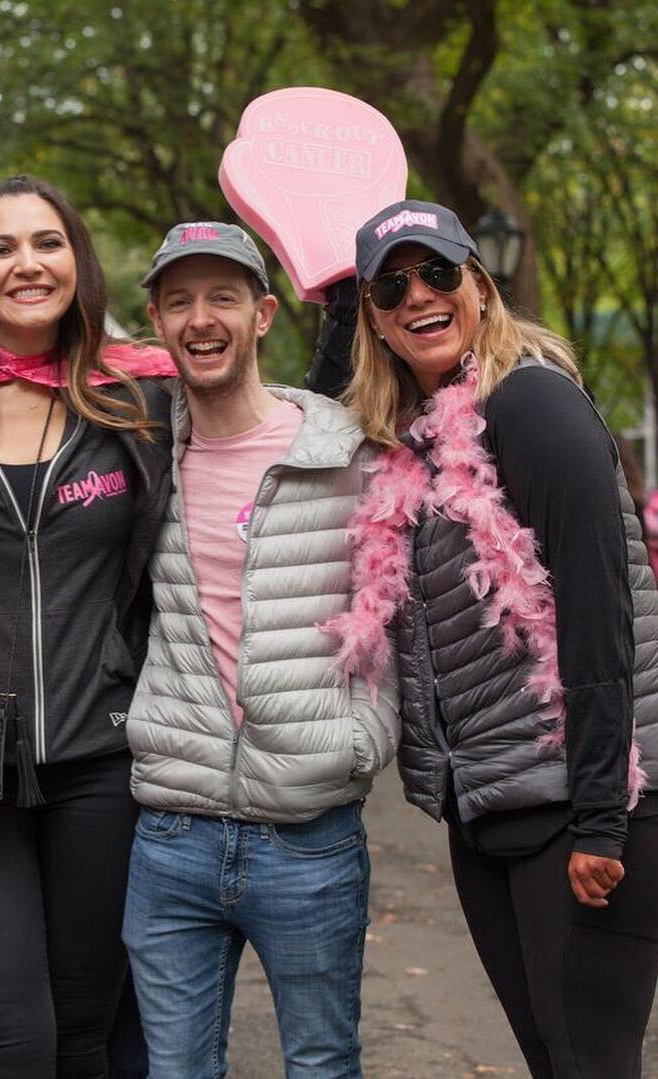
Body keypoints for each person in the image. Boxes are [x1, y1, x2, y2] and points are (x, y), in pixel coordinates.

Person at [331, 198, 658, 1077]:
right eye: (389, 287)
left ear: (478, 283)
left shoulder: (534, 404)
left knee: (589, 1061)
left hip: (586, 807)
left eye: (437, 271)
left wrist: (600, 821)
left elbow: (602, 618)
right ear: (371, 317)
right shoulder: (417, 444)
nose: (418, 296)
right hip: (493, 807)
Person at [0, 174, 176, 1078]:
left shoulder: (142, 402)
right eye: (1, 247)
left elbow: (279, 431)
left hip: (106, 761)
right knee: (4, 1044)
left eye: (46, 242)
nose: (27, 262)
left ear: (77, 262)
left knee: (85, 1035)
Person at [121, 221, 401, 1078]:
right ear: (159, 325)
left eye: (222, 298)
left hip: (309, 837)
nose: (201, 319)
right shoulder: (140, 457)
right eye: (179, 302)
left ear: (264, 312)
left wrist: (362, 742)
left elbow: (401, 601)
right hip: (172, 832)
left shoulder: (346, 450)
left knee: (321, 1063)